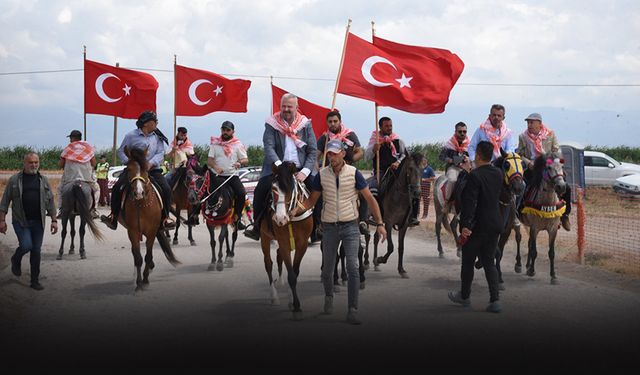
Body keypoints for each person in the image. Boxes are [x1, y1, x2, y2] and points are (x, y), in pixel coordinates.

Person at [290, 140, 386, 325]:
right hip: (329, 227)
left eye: (335, 153)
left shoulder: (354, 173)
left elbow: (370, 199)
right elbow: (311, 201)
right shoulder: (321, 175)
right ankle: (328, 297)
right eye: (329, 154)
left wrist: (380, 223)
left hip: (350, 226)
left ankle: (352, 309)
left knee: (352, 266)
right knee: (327, 270)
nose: (332, 157)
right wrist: (295, 210)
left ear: (342, 153)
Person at [244, 93, 317, 241]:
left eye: (289, 106)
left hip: (300, 169)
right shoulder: (271, 123)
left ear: (297, 107)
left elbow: (312, 150)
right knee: (261, 190)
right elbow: (269, 147)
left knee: (318, 190)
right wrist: (279, 167)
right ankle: (257, 227)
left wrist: (305, 171)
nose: (286, 109)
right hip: (277, 168)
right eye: (283, 106)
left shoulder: (306, 124)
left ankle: (319, 228)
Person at [448, 141, 503, 313]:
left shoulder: (475, 176)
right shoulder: (499, 173)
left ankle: (465, 297)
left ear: (478, 155)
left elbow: (470, 203)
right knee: (489, 262)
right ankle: (495, 301)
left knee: (468, 262)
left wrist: (464, 226)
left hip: (476, 226)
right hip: (494, 224)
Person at [100, 110, 175, 230]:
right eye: (154, 121)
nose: (156, 123)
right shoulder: (130, 136)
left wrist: (151, 163)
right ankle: (113, 217)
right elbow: (120, 151)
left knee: (166, 188)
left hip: (152, 169)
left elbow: (161, 152)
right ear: (145, 123)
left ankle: (165, 218)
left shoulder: (158, 137)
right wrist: (130, 163)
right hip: (134, 170)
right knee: (117, 187)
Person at [0, 152, 58, 290]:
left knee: (36, 251)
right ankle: (16, 258)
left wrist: (54, 220)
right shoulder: (15, 180)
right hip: (21, 221)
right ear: (24, 163)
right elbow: (4, 201)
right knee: (26, 246)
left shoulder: (43, 180)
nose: (34, 165)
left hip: (39, 222)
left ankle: (34, 280)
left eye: (36, 162)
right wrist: (2, 220)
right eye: (31, 162)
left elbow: (50, 201)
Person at [517, 113, 571, 231]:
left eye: (532, 122)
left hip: (549, 167)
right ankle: (519, 211)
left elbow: (557, 150)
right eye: (528, 122)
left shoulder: (550, 134)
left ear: (539, 124)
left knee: (566, 186)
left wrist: (550, 162)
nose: (529, 125)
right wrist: (528, 163)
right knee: (523, 186)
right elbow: (519, 154)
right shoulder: (522, 136)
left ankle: (565, 215)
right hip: (532, 168)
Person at [316, 110, 366, 233]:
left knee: (364, 192)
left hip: (348, 171)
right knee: (317, 195)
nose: (333, 124)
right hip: (329, 173)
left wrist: (350, 160)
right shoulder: (324, 138)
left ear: (340, 122)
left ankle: (363, 221)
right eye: (330, 122)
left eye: (335, 121)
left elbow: (360, 152)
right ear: (327, 123)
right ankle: (318, 225)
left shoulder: (350, 135)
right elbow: (315, 156)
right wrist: (318, 168)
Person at [208, 120, 249, 221]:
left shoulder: (238, 144)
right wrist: (216, 167)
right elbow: (209, 161)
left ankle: (237, 216)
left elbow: (245, 159)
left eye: (228, 130)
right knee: (205, 191)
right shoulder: (215, 144)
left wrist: (240, 163)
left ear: (232, 132)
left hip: (232, 176)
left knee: (241, 193)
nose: (225, 132)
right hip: (217, 176)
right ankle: (196, 214)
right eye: (223, 129)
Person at [57, 130, 99, 218]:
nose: (70, 141)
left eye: (70, 138)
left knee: (60, 189)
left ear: (73, 138)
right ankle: (94, 210)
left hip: (70, 178)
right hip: (86, 178)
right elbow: (94, 163)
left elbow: (60, 165)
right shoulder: (88, 148)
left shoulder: (68, 149)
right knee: (96, 189)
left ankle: (61, 210)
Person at [439, 121, 471, 202]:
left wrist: (468, 159)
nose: (462, 133)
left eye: (464, 131)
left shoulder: (470, 145)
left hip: (466, 168)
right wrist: (450, 160)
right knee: (452, 180)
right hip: (453, 168)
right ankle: (447, 202)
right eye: (460, 131)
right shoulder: (449, 144)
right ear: (455, 132)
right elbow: (441, 156)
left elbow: (473, 157)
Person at [411, 157, 436, 223]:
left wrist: (425, 180)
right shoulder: (419, 168)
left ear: (427, 161)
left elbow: (433, 178)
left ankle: (425, 214)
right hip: (418, 186)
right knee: (417, 200)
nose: (423, 161)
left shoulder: (429, 169)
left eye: (424, 160)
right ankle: (417, 213)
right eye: (422, 160)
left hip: (426, 187)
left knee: (426, 201)